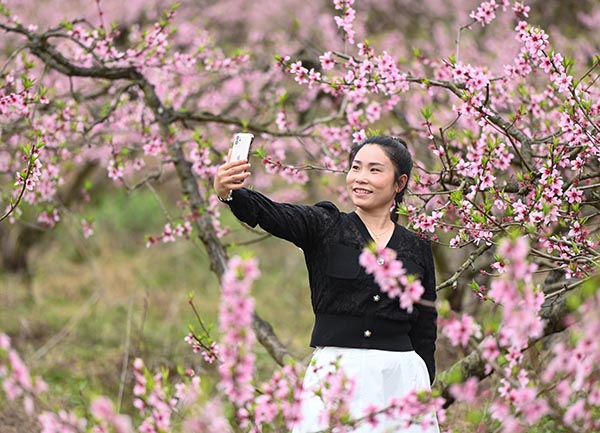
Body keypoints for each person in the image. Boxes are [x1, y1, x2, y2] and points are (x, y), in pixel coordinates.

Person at [214, 135, 439, 433]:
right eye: (356, 167)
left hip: (400, 377)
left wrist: (423, 378)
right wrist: (231, 194)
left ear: (400, 183)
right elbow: (273, 213)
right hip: (337, 371)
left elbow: (425, 322)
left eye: (374, 170)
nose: (361, 177)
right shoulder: (325, 225)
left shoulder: (417, 246)